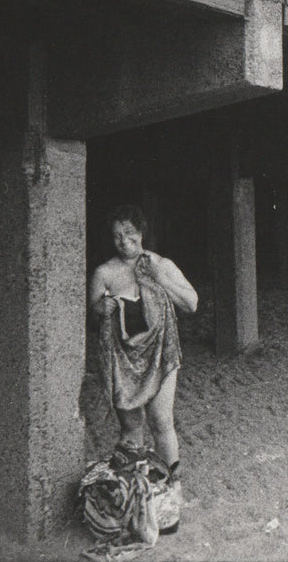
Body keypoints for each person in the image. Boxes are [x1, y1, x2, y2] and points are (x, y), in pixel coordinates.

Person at [88, 205, 198, 481]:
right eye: (117, 236)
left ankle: (170, 486)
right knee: (131, 428)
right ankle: (134, 491)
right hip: (123, 361)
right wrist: (100, 310)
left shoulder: (161, 265)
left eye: (129, 233)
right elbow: (90, 321)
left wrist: (159, 280)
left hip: (161, 355)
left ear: (141, 232)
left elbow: (191, 304)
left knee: (162, 421)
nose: (125, 242)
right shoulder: (104, 273)